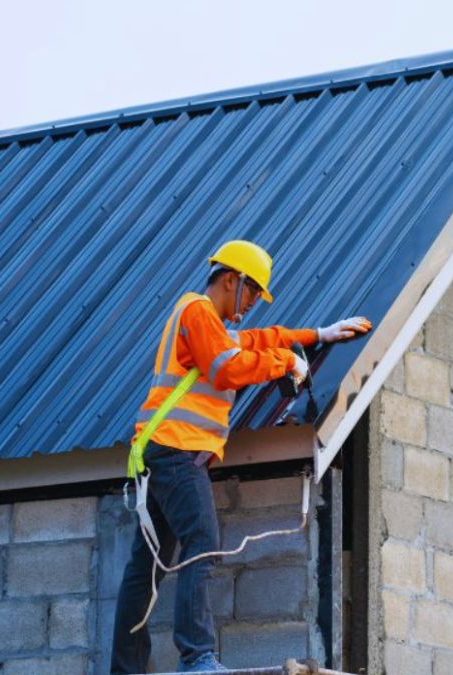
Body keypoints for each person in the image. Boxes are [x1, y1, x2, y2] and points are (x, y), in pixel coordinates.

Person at [111, 240, 371, 673]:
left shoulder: (210, 325)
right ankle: (197, 657)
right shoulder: (196, 311)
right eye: (251, 293)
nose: (251, 303)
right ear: (231, 279)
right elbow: (227, 367)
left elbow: (260, 338)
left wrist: (317, 335)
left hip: (163, 454)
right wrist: (285, 363)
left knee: (145, 568)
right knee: (202, 543)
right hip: (176, 452)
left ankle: (126, 668)